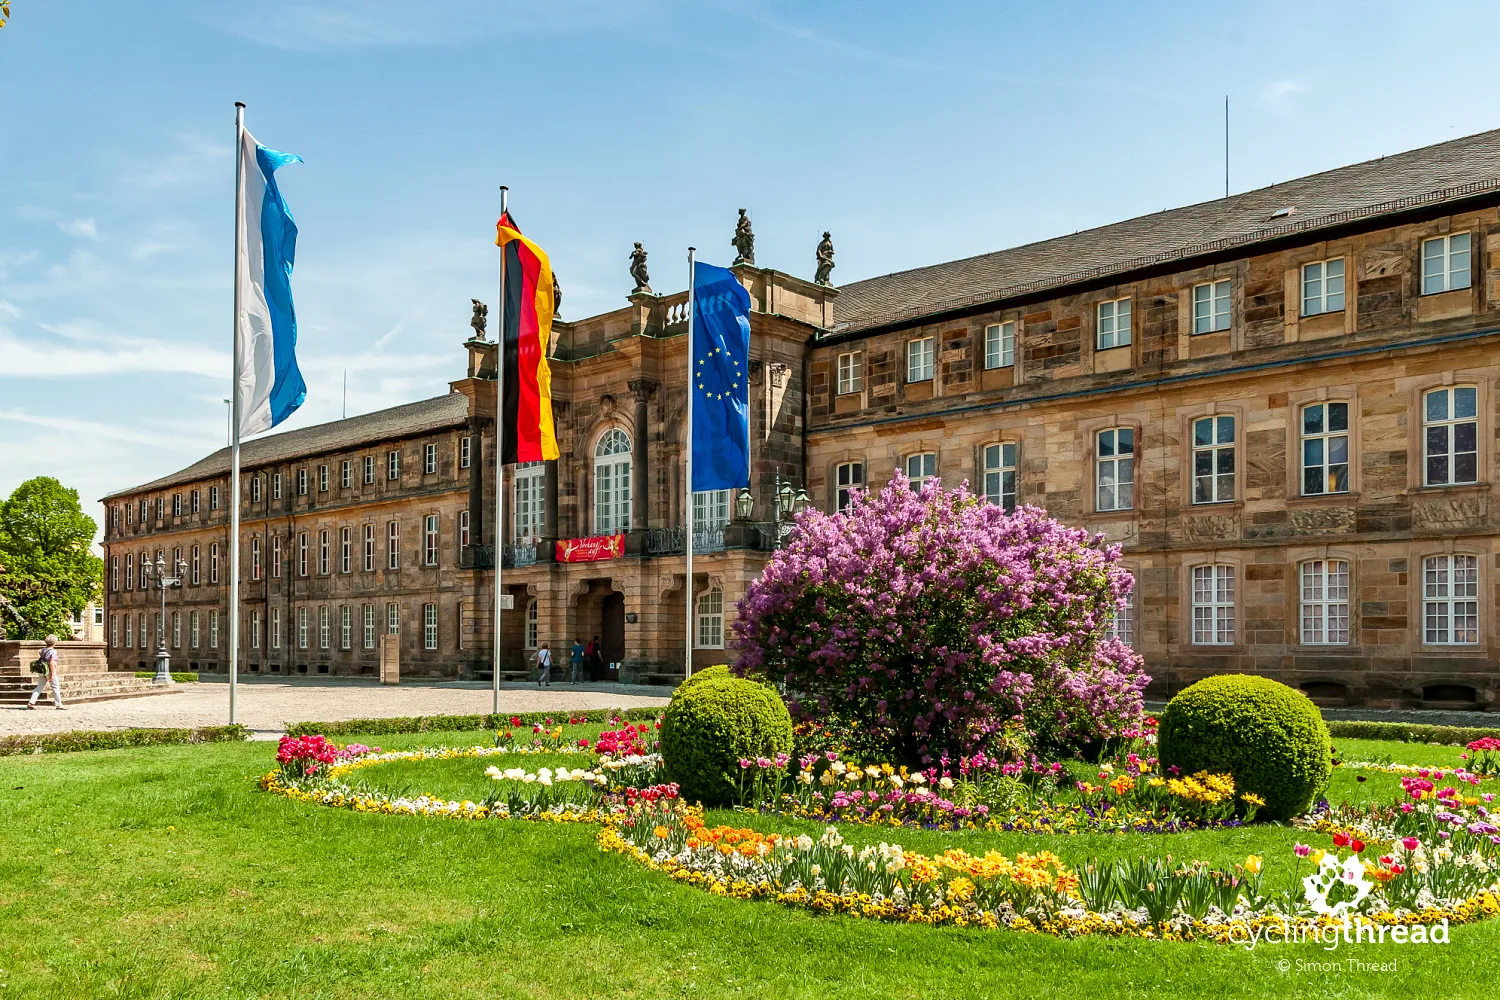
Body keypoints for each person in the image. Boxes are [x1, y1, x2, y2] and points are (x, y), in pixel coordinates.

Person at [28, 634, 65, 710]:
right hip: (49, 671)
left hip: (42, 670)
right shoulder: (53, 651)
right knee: (55, 687)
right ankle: (59, 704)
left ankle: (31, 703)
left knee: (39, 687)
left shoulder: (43, 650)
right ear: (54, 642)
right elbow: (51, 663)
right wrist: (52, 674)